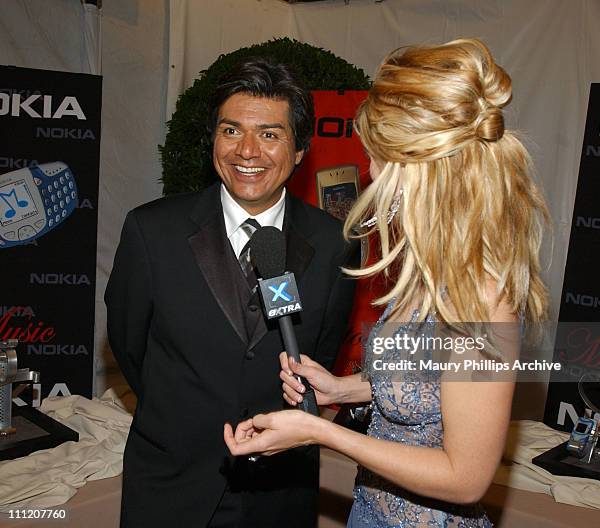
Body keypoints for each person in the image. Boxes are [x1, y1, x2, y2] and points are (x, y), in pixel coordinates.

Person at [224, 39, 550, 527]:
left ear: (421, 167)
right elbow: (428, 385)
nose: (371, 172)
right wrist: (342, 389)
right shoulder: (431, 269)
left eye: (378, 157)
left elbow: (466, 476)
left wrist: (322, 432)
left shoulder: (483, 294)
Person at [105, 58, 358, 527]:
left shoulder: (333, 244)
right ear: (213, 139)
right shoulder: (151, 231)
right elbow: (129, 345)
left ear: (300, 148)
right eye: (231, 130)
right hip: (172, 485)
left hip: (281, 492)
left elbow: (322, 352)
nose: (247, 151)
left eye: (269, 134)